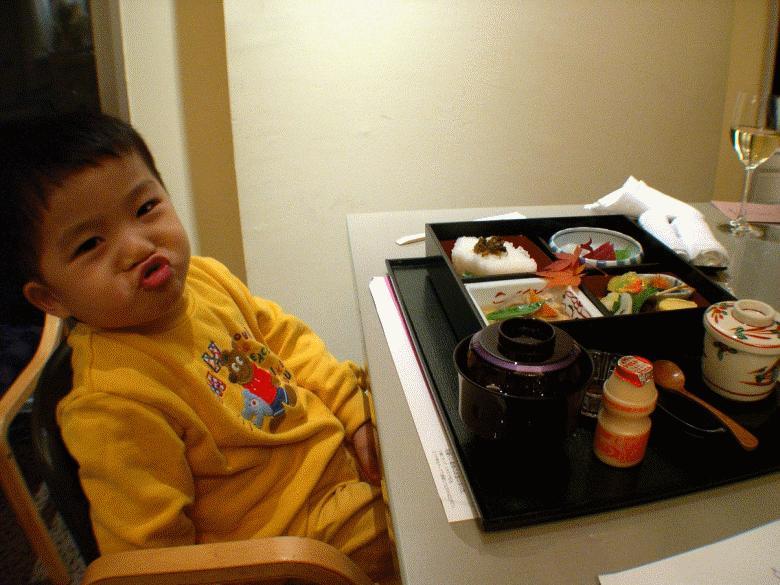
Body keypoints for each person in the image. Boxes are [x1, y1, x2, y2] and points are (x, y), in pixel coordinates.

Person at [0, 112, 396, 582]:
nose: (137, 246)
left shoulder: (206, 278)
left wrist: (353, 412)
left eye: (145, 208)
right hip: (298, 546)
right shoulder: (111, 402)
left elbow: (287, 339)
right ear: (51, 298)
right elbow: (151, 565)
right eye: (90, 244)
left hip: (341, 459)